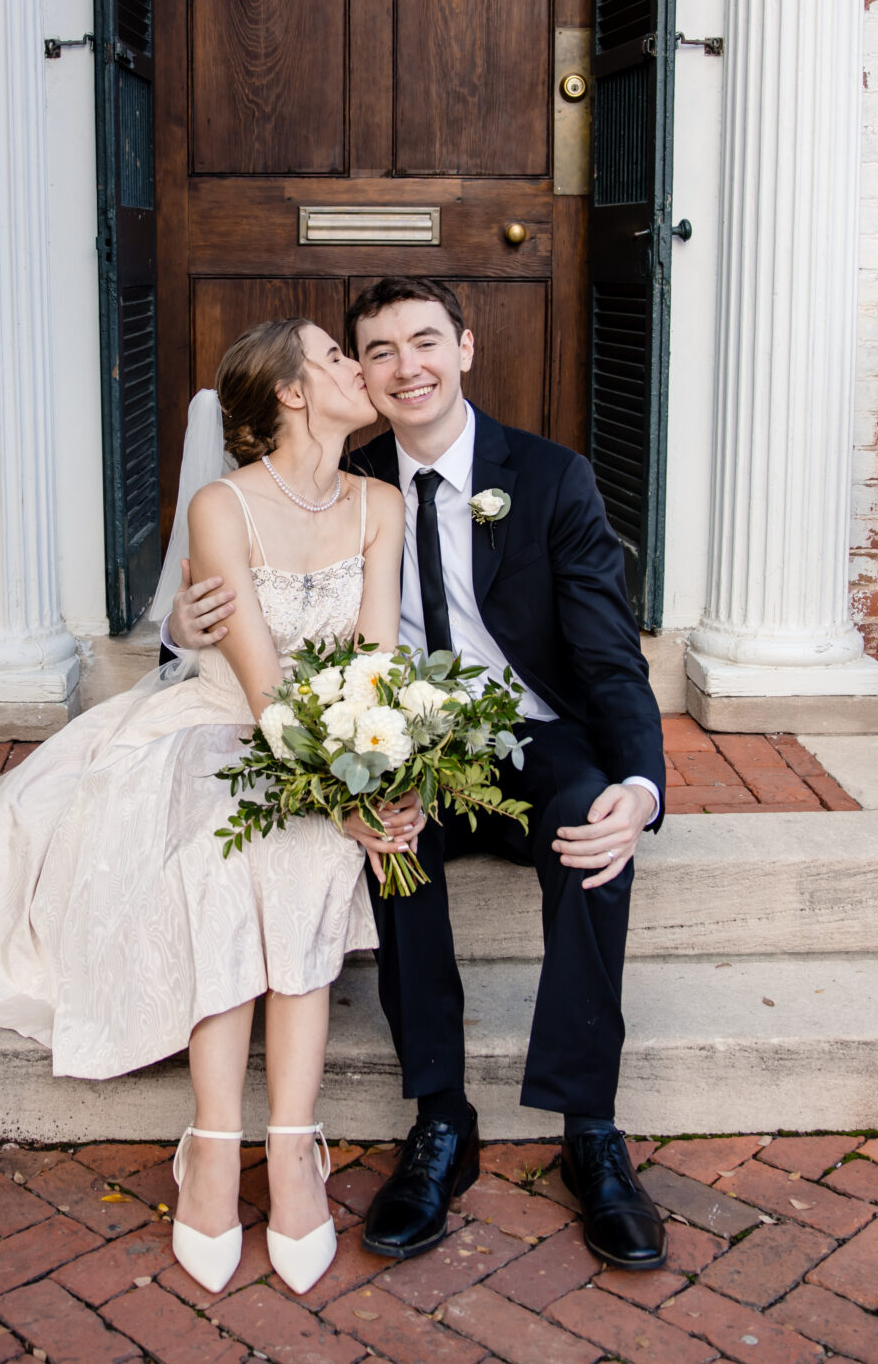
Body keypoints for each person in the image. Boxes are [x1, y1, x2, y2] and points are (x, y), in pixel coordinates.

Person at [0, 319, 408, 1298]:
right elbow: (256, 688)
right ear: (290, 392)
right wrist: (337, 780)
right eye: (335, 355)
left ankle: (292, 1148)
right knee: (220, 853)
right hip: (222, 722)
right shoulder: (222, 505)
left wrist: (376, 774)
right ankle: (211, 1141)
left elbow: (371, 662)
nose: (357, 367)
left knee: (309, 853)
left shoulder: (379, 505)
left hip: (327, 734)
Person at [166, 275, 670, 1272]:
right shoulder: (345, 479)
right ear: (357, 373)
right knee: (397, 844)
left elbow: (610, 658)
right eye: (378, 351)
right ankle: (441, 1119)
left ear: (466, 349)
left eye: (424, 342)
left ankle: (591, 1129)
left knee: (591, 830)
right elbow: (269, 613)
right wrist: (184, 630)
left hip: (529, 735)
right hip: (401, 739)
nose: (404, 367)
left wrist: (641, 786)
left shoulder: (551, 477)